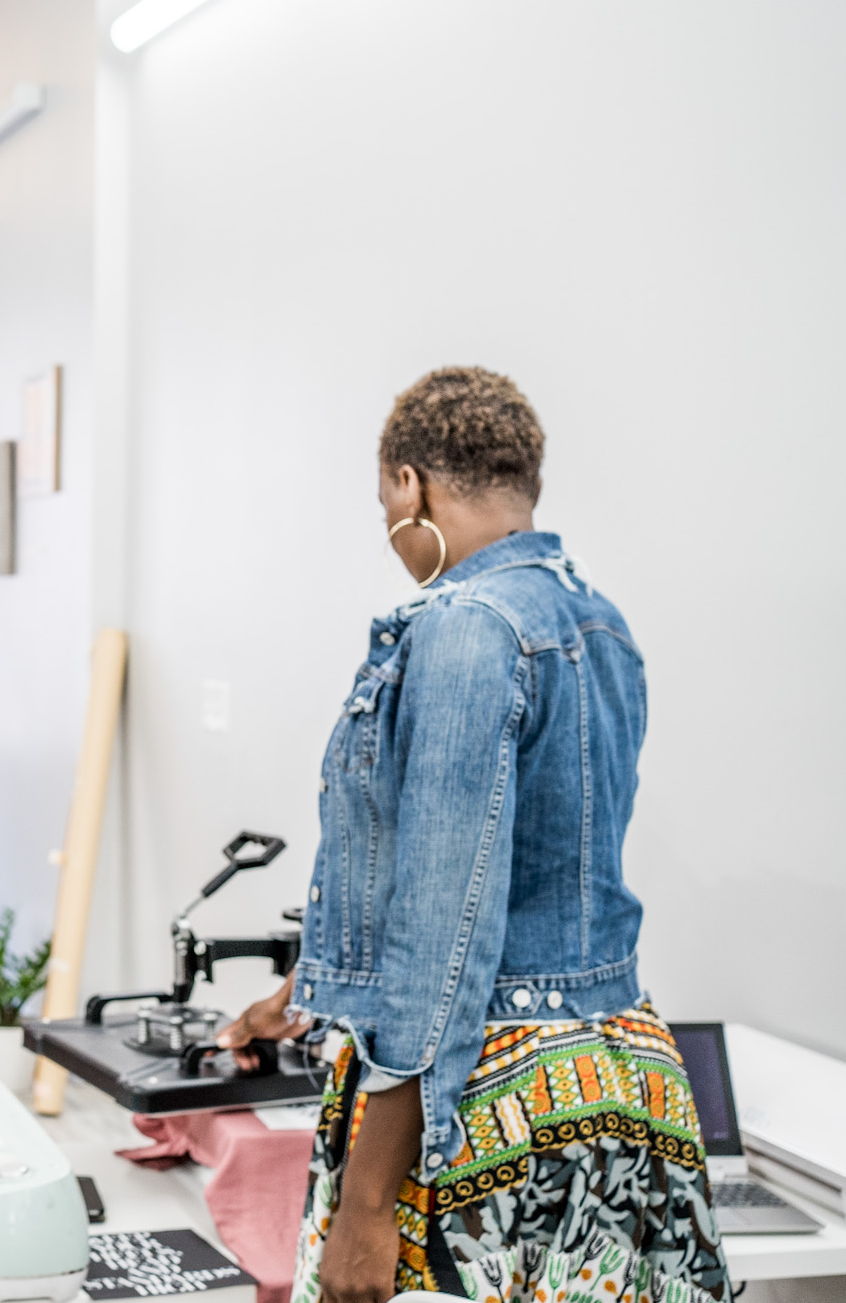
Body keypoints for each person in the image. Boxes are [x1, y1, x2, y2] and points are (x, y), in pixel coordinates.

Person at [217, 368, 723, 1303]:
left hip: (488, 1107)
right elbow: (526, 872)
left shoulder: (463, 629)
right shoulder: (602, 624)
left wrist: (369, 1205)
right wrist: (308, 993)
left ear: (409, 485)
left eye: (386, 503)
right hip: (620, 1082)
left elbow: (443, 936)